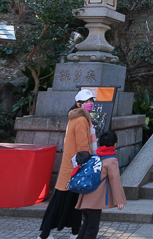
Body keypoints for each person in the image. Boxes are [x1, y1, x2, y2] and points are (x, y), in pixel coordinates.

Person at [38, 89, 98, 239]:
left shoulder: (76, 118)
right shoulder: (81, 120)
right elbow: (83, 145)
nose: (90, 104)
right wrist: (88, 161)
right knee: (62, 202)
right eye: (87, 102)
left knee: (73, 202)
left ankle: (74, 232)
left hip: (72, 169)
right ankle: (45, 234)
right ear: (78, 104)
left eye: (91, 101)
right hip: (75, 169)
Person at [74, 131, 126, 239]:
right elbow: (114, 180)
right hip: (95, 200)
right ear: (114, 144)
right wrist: (119, 201)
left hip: (85, 195)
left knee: (86, 224)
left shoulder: (94, 156)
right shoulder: (111, 160)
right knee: (92, 228)